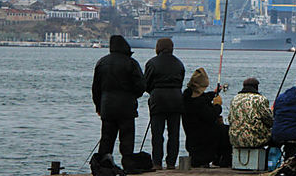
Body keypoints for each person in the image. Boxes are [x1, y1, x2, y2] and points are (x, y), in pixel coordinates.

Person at [91, 35, 145, 166]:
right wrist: (133, 96)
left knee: (107, 137)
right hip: (126, 106)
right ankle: (127, 163)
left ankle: (104, 163)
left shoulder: (102, 62)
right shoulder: (131, 63)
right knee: (127, 137)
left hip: (107, 106)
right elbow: (141, 86)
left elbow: (96, 88)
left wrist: (98, 106)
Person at [143, 37, 185, 169]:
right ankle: (171, 162)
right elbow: (181, 81)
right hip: (176, 98)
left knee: (157, 133)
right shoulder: (179, 63)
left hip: (158, 98)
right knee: (174, 133)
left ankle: (157, 162)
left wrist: (153, 92)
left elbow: (146, 83)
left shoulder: (152, 63)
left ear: (158, 48)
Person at [181, 68, 231, 167]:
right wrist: (218, 106)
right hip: (203, 135)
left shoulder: (187, 96)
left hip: (192, 137)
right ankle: (223, 160)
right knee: (226, 131)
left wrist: (214, 93)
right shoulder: (198, 103)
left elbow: (202, 97)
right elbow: (211, 116)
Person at [228, 77, 273, 149]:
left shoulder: (234, 99)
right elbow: (269, 121)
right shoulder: (260, 99)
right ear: (256, 87)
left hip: (235, 140)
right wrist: (271, 113)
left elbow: (230, 119)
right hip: (254, 140)